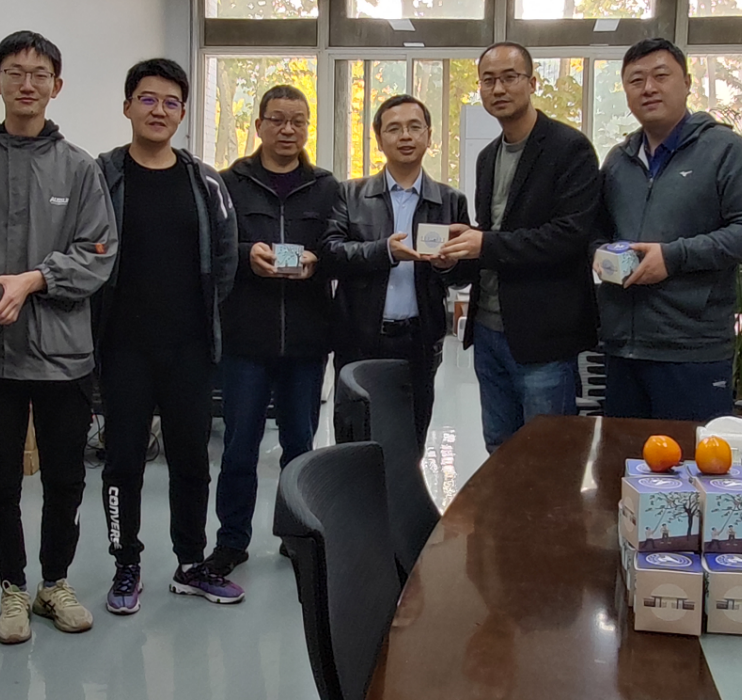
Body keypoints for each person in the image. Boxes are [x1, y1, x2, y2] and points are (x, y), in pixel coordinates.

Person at [0, 31, 117, 643]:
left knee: (66, 478)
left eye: (39, 74)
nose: (27, 84)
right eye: (14, 72)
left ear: (56, 86)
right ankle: (12, 589)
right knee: (0, 480)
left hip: (64, 356)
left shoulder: (80, 168)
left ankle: (54, 584)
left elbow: (98, 254)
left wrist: (36, 279)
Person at [95, 58, 241, 613]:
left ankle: (190, 563)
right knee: (122, 462)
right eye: (148, 99)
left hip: (189, 349)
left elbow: (225, 256)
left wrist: (200, 317)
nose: (159, 111)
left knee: (191, 460)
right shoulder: (103, 176)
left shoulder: (203, 181)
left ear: (182, 113)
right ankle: (125, 563)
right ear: (127, 105)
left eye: (171, 102)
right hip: (123, 347)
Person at [596, 38, 742, 420]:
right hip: (623, 348)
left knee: (691, 457)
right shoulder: (619, 160)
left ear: (687, 83)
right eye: (636, 80)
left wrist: (673, 257)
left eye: (661, 76)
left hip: (692, 350)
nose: (648, 88)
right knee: (622, 455)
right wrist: (598, 253)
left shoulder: (724, 150)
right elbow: (597, 230)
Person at [204, 85, 340, 577]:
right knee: (240, 445)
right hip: (245, 338)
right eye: (278, 119)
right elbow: (213, 247)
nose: (288, 130)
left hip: (306, 339)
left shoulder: (326, 187)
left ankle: (296, 537)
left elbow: (339, 245)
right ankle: (231, 541)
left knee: (300, 445)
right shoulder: (228, 183)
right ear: (259, 124)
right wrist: (247, 255)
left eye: (298, 121)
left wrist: (318, 259)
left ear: (307, 128)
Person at [440, 42, 601, 454]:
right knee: (499, 449)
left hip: (543, 337)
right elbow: (494, 231)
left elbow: (569, 236)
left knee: (547, 456)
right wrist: (459, 248)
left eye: (510, 77)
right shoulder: (487, 157)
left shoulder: (569, 148)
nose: (498, 89)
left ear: (532, 82)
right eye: (488, 80)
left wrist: (485, 242)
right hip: (487, 330)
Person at [324, 94, 470, 443]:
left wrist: (449, 265)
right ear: (379, 139)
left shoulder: (450, 201)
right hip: (359, 338)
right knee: (355, 442)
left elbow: (465, 275)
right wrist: (385, 251)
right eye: (394, 128)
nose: (405, 136)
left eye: (414, 127)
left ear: (429, 136)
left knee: (409, 441)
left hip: (419, 342)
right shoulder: (350, 194)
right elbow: (330, 254)